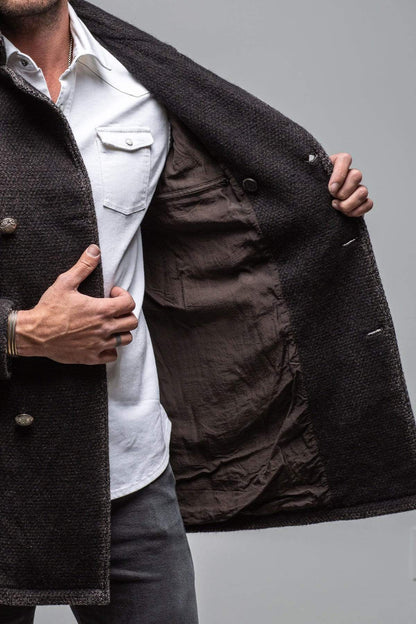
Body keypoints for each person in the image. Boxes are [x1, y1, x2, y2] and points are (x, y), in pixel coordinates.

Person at [3, 0, 410, 622]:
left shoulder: (140, 83)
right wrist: (18, 332)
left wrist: (312, 200)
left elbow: (219, 218)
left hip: (129, 471)